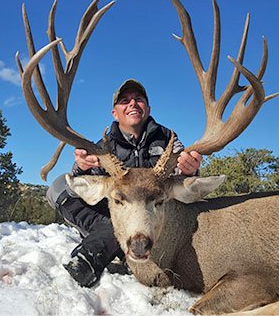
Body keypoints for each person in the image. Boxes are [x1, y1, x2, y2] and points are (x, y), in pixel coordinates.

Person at [46, 79, 202, 288]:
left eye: (139, 100)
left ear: (147, 109)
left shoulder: (169, 143)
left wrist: (190, 170)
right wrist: (81, 168)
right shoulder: (102, 149)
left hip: (152, 219)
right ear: (114, 113)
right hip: (116, 214)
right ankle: (110, 249)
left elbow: (180, 187)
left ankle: (98, 256)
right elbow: (79, 191)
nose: (132, 104)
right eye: (125, 101)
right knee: (59, 188)